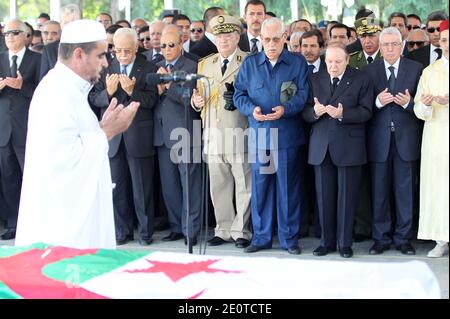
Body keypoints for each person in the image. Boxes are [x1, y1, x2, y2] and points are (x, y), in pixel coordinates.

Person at [15, 20, 140, 249]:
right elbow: (61, 159)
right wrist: (107, 131)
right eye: (101, 55)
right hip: (61, 232)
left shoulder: (70, 89)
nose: (106, 63)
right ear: (79, 54)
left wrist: (101, 127)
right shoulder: (56, 92)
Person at [234, 17, 309, 255]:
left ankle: (289, 239)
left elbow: (303, 95)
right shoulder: (250, 63)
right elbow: (239, 95)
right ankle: (262, 237)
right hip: (261, 137)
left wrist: (285, 109)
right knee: (261, 188)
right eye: (266, 39)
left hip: (287, 136)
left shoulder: (297, 63)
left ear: (285, 36)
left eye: (276, 39)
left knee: (288, 190)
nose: (271, 44)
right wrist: (251, 110)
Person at [89, 28, 158, 246]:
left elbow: (152, 101)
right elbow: (93, 98)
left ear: (136, 48)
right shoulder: (105, 66)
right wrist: (108, 92)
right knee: (116, 187)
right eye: (118, 50)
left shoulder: (148, 67)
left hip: (138, 135)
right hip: (113, 137)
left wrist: (132, 92)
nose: (122, 54)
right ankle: (122, 231)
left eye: (127, 51)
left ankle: (146, 233)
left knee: (142, 188)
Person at [302, 42, 372, 258]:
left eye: (337, 62)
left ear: (347, 60)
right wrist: (314, 112)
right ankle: (326, 242)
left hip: (349, 146)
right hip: (321, 146)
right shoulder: (314, 79)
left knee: (347, 197)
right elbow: (304, 113)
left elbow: (366, 112)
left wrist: (342, 114)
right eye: (329, 61)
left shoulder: (361, 78)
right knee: (324, 197)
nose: (333, 66)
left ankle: (344, 244)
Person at [191, 15, 252, 248]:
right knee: (219, 185)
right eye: (219, 36)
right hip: (213, 132)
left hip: (239, 130)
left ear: (237, 36)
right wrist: (195, 102)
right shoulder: (205, 64)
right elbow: (200, 100)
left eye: (228, 35)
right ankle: (223, 228)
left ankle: (241, 231)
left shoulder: (248, 61)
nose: (223, 40)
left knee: (244, 184)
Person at [364, 27, 423, 255]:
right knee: (379, 192)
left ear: (401, 45)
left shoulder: (416, 69)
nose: (389, 48)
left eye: (394, 44)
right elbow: (361, 106)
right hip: (378, 140)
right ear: (380, 46)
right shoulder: (369, 71)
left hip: (406, 140)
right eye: (385, 44)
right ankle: (381, 238)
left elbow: (423, 108)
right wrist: (377, 102)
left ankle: (403, 238)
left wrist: (409, 104)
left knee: (404, 192)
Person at [154, 26, 202, 246]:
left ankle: (190, 231)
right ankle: (176, 227)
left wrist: (169, 85)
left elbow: (188, 98)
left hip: (186, 133)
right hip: (162, 135)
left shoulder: (192, 66)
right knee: (170, 186)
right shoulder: (155, 67)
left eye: (171, 45)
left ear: (181, 43)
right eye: (163, 46)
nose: (166, 49)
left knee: (190, 185)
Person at [0, 19, 41, 240]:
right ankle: (13, 223)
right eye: (7, 33)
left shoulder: (38, 59)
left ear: (26, 35)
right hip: (4, 129)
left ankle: (35, 221)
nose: (10, 37)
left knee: (31, 176)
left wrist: (22, 86)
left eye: (15, 32)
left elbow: (44, 92)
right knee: (8, 177)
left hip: (28, 128)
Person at [413, 20, 449, 258]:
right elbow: (418, 108)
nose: (448, 44)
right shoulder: (430, 71)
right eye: (445, 40)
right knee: (438, 188)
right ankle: (441, 239)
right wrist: (425, 105)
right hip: (437, 138)